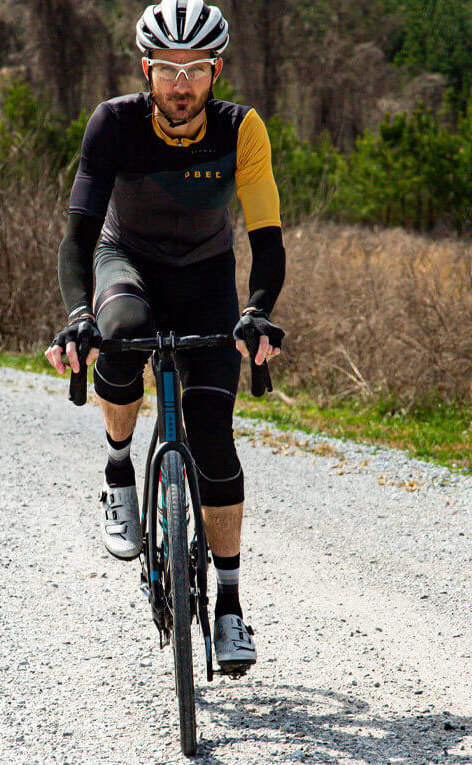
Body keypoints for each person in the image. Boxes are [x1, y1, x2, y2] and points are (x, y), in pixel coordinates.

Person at [42, 0, 287, 676]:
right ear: (146, 69)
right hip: (128, 264)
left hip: (206, 276)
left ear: (216, 71)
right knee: (118, 337)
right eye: (168, 70)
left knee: (212, 436)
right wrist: (76, 315)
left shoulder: (242, 130)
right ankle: (120, 469)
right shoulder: (113, 124)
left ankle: (230, 606)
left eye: (197, 70)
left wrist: (258, 309)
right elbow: (79, 235)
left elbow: (266, 241)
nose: (182, 85)